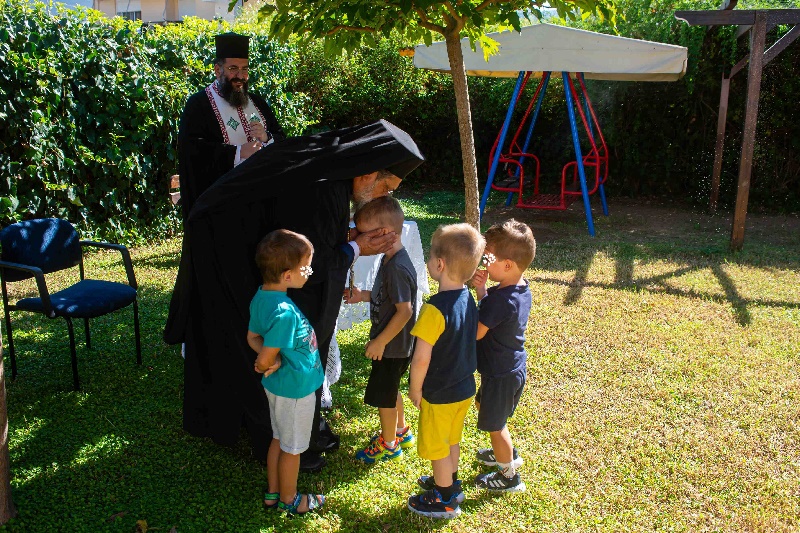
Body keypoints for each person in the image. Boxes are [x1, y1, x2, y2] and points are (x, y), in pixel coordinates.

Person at [164, 120, 425, 474]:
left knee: (300, 340)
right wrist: (355, 247)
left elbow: (313, 235)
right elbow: (310, 262)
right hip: (229, 256)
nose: (384, 199)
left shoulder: (330, 171)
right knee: (277, 344)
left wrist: (347, 238)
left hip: (256, 253)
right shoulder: (320, 188)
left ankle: (306, 427)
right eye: (386, 188)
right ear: (366, 174)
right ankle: (282, 441)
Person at [406, 223, 485, 519]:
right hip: (464, 388)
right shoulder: (467, 297)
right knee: (452, 439)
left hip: (439, 394)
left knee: (438, 446)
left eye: (429, 257)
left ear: (438, 264)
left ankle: (445, 499)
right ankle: (451, 484)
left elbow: (421, 359)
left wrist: (415, 389)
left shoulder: (433, 309)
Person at [248, 229, 324, 515]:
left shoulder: (261, 298)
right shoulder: (284, 312)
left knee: (279, 439)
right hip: (296, 390)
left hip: (281, 386)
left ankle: (273, 493)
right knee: (292, 449)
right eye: (306, 266)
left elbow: (252, 337)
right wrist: (268, 361)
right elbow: (265, 352)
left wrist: (270, 361)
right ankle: (290, 500)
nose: (310, 270)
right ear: (288, 275)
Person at [177, 32, 285, 218]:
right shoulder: (198, 105)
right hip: (220, 206)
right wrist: (238, 153)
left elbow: (282, 140)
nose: (240, 76)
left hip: (261, 201)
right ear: (218, 70)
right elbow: (192, 153)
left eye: (245, 69)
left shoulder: (258, 103)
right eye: (233, 68)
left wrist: (267, 137)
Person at [342, 196, 417, 463]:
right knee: (391, 386)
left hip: (393, 345)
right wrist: (361, 294)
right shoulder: (391, 259)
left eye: (363, 233)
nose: (358, 239)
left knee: (384, 397)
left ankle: (389, 444)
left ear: (384, 233)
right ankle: (401, 430)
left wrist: (380, 342)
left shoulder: (396, 267)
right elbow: (387, 298)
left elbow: (405, 310)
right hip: (396, 344)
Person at [469, 219, 535, 493]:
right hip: (509, 369)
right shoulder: (518, 289)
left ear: (507, 265)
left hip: (500, 374)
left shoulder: (501, 300)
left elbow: (476, 333)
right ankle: (503, 452)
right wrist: (482, 291)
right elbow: (493, 312)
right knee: (485, 408)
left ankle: (509, 474)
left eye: (489, 258)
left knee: (496, 427)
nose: (485, 263)